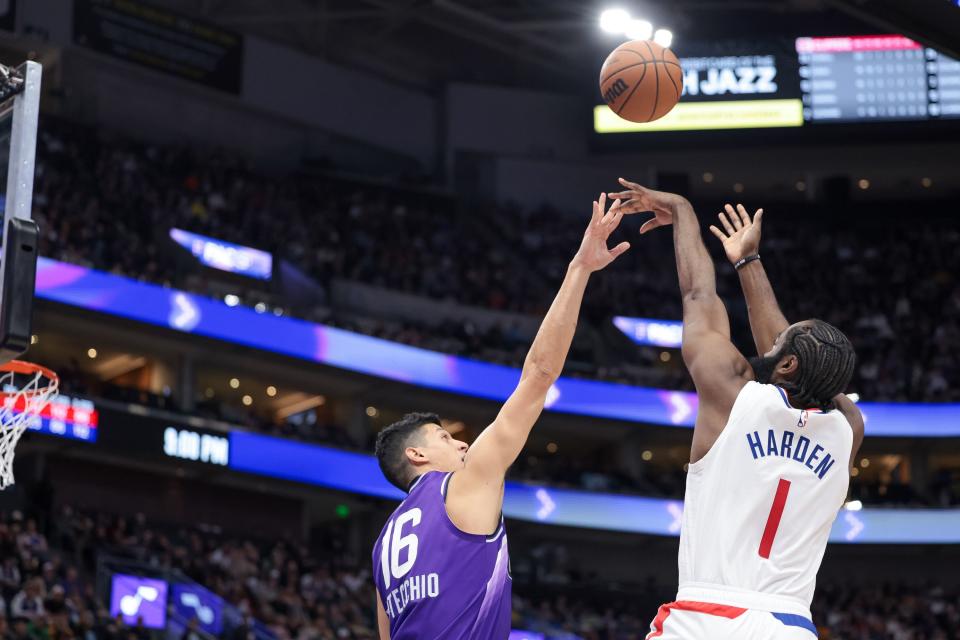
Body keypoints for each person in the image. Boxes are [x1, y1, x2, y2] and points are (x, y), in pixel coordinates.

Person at [608, 180, 863, 639]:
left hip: (704, 617)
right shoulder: (848, 428)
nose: (777, 333)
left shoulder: (736, 397)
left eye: (788, 337)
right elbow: (793, 358)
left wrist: (684, 212)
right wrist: (748, 263)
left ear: (787, 363)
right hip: (789, 625)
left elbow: (698, 299)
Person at [372, 194, 632, 639]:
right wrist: (580, 269)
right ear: (416, 454)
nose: (461, 443)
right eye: (443, 436)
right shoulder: (465, 481)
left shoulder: (382, 548)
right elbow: (538, 375)